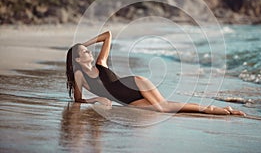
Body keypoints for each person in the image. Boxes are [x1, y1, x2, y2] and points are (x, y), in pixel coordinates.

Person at [66, 31, 245, 116]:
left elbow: (108, 35)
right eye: (84, 53)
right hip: (129, 101)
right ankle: (223, 110)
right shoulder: (80, 76)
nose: (89, 52)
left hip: (137, 84)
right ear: (78, 60)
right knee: (170, 107)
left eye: (88, 50)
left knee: (162, 108)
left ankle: (220, 111)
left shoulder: (100, 63)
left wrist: (84, 44)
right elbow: (77, 99)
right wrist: (95, 99)